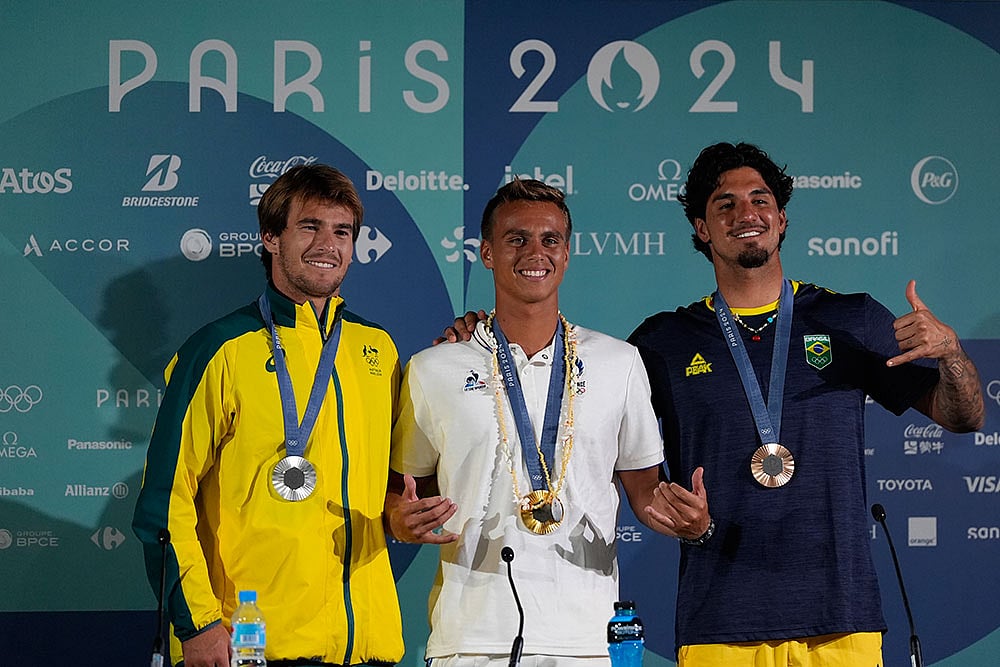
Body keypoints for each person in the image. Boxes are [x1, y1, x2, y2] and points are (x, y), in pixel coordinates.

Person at [626, 142, 986, 665]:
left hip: (841, 620)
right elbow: (597, 431)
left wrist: (951, 353)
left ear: (782, 218)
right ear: (702, 229)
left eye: (760, 199)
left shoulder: (851, 318)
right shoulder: (664, 341)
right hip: (720, 622)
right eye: (724, 204)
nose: (746, 213)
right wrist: (477, 337)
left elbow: (963, 416)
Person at [385, 179, 681, 667]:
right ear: (486, 252)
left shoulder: (620, 362)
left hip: (586, 639)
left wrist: (682, 519)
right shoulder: (433, 368)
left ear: (567, 253)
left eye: (550, 239)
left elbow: (645, 491)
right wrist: (400, 518)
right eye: (516, 238)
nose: (534, 252)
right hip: (470, 639)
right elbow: (401, 491)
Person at [132, 165, 404, 667]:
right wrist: (197, 624)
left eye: (342, 231)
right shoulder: (219, 349)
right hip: (247, 645)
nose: (328, 243)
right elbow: (163, 503)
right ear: (271, 237)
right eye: (310, 226)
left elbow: (396, 485)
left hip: (364, 647)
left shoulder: (377, 349)